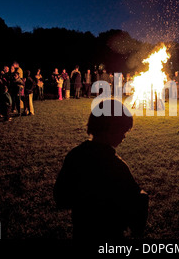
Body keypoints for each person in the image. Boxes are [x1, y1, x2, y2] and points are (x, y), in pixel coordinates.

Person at [53, 99, 149, 240]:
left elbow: (61, 197)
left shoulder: (75, 155)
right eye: (123, 130)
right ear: (110, 128)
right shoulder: (116, 166)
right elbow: (135, 203)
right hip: (110, 233)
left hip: (82, 231)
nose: (124, 136)